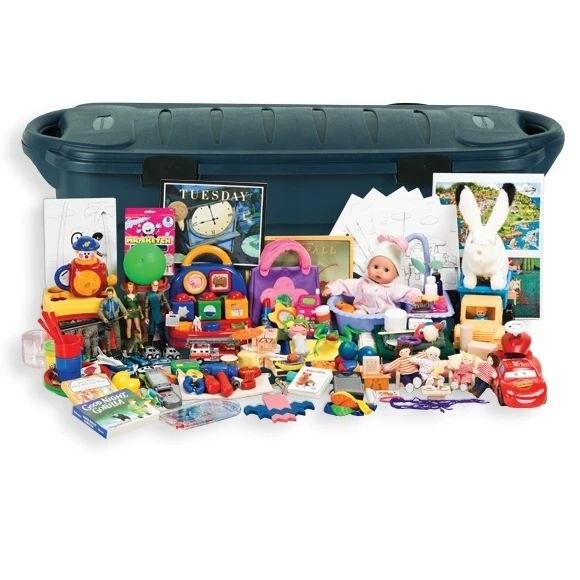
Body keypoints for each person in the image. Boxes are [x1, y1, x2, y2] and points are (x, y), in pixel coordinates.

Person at [322, 236, 422, 314]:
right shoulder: (361, 283)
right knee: (358, 314)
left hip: (385, 315)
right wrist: (330, 288)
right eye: (375, 266)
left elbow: (407, 292)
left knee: (394, 314)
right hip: (364, 311)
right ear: (368, 266)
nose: (379, 271)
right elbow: (344, 284)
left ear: (395, 275)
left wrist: (416, 297)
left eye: (386, 270)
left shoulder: (394, 288)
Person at [98, 287, 128, 354]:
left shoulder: (117, 300)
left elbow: (122, 307)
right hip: (107, 321)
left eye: (111, 294)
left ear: (112, 294)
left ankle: (119, 349)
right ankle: (108, 351)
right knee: (107, 337)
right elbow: (99, 311)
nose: (109, 296)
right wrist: (103, 318)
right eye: (108, 294)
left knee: (118, 335)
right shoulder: (103, 301)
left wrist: (125, 313)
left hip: (115, 320)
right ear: (107, 294)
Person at [144, 280, 170, 348]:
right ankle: (149, 346)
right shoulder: (148, 294)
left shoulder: (161, 293)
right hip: (152, 315)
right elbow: (146, 307)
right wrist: (146, 317)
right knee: (151, 330)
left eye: (157, 285)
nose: (156, 287)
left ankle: (164, 346)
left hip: (159, 315)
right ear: (152, 285)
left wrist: (170, 310)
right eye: (154, 285)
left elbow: (166, 302)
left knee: (162, 331)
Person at [121, 280, 144, 353]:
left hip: (136, 312)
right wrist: (125, 314)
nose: (130, 288)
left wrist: (141, 314)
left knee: (138, 327)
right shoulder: (125, 297)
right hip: (129, 313)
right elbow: (123, 307)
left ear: (133, 287)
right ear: (127, 288)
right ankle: (129, 343)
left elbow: (139, 305)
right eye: (129, 287)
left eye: (131, 287)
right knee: (129, 327)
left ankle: (140, 343)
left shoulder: (136, 295)